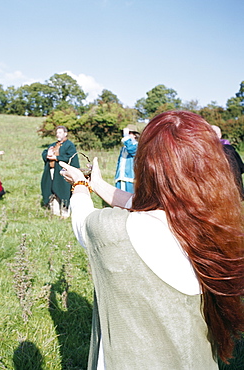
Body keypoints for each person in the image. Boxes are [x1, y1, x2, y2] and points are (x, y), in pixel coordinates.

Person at [59, 111, 244, 369]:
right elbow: (141, 203)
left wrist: (79, 185)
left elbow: (82, 221)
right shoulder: (215, 225)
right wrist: (97, 183)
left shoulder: (113, 231)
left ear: (146, 166)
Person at [40, 125, 79, 217]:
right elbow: (44, 153)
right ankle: (55, 211)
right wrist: (48, 154)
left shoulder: (69, 145)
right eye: (57, 133)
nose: (58, 134)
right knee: (52, 189)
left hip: (63, 172)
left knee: (63, 190)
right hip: (52, 171)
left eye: (60, 132)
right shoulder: (53, 145)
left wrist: (57, 158)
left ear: (65, 134)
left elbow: (70, 157)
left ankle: (65, 211)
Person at [211, 125, 244, 199]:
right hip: (237, 190)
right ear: (220, 135)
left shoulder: (210, 151)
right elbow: (241, 167)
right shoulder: (230, 149)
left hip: (220, 193)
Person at [114, 127, 139, 193]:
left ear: (134, 135)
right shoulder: (124, 148)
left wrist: (126, 139)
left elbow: (132, 150)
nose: (127, 135)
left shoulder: (137, 146)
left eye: (129, 133)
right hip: (120, 177)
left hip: (130, 178)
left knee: (129, 199)